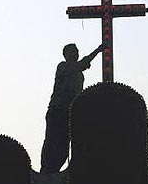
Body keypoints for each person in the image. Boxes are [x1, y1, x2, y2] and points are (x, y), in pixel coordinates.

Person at [40, 43, 105, 173]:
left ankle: (55, 171)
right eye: (72, 51)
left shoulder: (79, 75)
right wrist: (97, 51)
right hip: (57, 110)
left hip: (69, 113)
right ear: (66, 54)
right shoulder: (63, 67)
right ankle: (46, 172)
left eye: (76, 51)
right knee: (52, 143)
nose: (75, 53)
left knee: (63, 147)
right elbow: (81, 64)